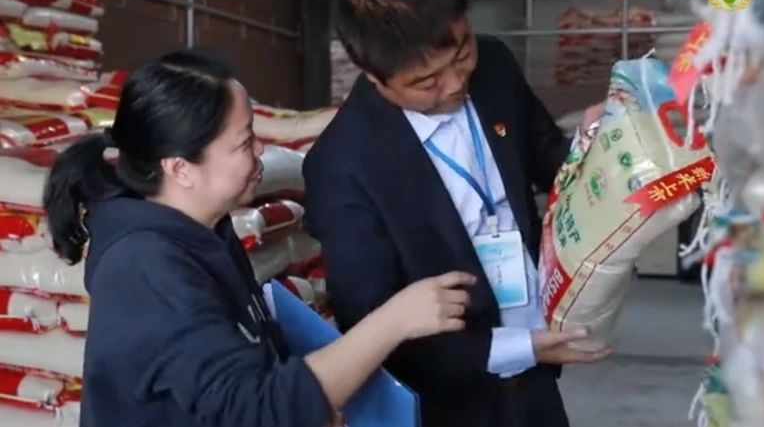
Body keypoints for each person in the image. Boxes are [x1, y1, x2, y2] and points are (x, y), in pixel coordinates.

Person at [43, 49, 477, 427]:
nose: (259, 151)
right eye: (244, 141)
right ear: (180, 168)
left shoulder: (205, 231)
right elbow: (254, 411)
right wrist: (393, 322)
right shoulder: (146, 267)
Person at [303, 0, 610, 427]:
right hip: (448, 401)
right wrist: (518, 348)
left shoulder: (495, 65)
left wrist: (594, 144)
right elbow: (372, 324)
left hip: (539, 377)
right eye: (426, 82)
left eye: (462, 53)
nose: (455, 83)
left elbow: (546, 156)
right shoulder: (343, 165)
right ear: (375, 77)